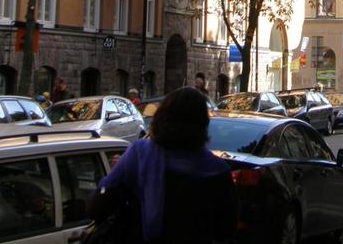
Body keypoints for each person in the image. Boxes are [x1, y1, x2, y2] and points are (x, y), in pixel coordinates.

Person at [91, 87, 236, 243]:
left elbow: (97, 207)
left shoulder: (140, 155)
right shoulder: (218, 170)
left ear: (162, 117)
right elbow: (226, 230)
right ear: (203, 124)